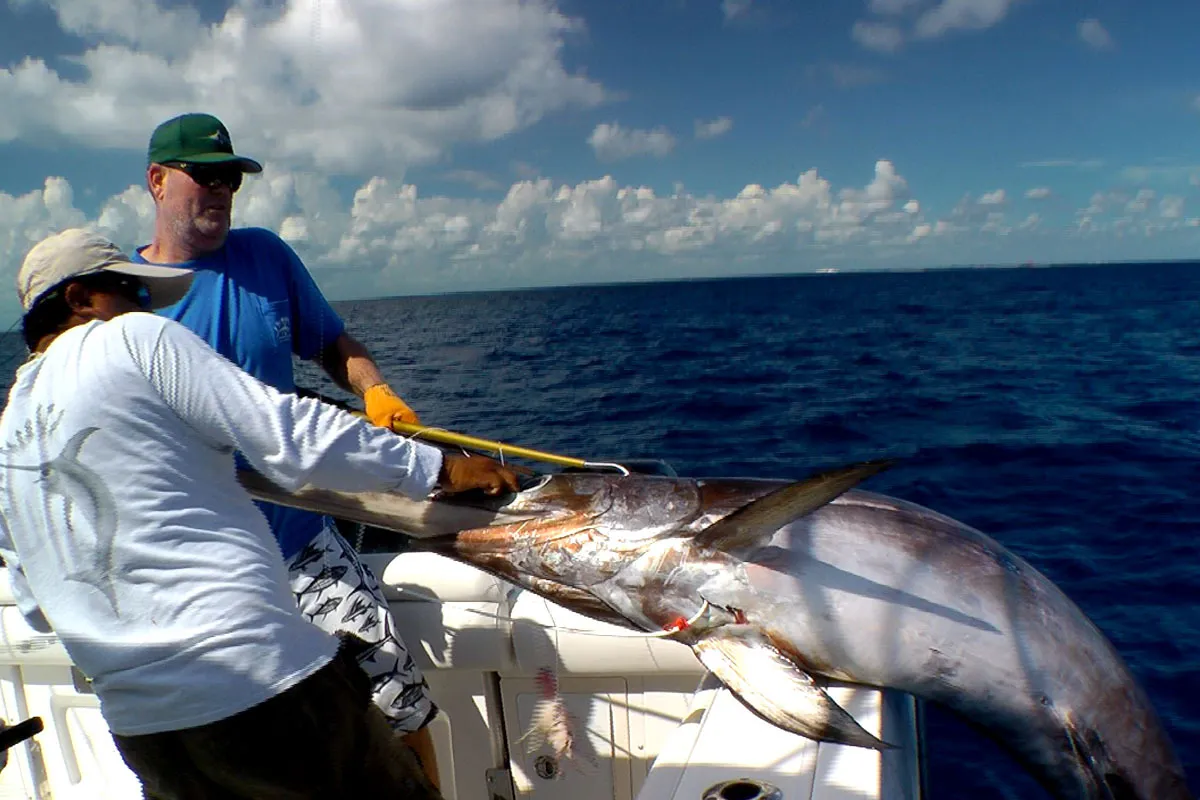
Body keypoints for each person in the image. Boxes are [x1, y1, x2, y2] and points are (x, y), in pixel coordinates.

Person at [0, 228, 520, 798]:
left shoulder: (8, 433)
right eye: (134, 292)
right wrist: (437, 468)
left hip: (148, 738)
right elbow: (288, 433)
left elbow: (35, 605)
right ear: (80, 298)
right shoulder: (130, 340)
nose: (145, 307)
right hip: (261, 691)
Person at [133, 112, 447, 781]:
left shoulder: (267, 257)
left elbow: (333, 343)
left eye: (231, 179)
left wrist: (374, 390)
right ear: (157, 181)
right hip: (210, 577)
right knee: (257, 754)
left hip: (303, 541)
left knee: (399, 704)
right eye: (205, 176)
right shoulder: (127, 304)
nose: (221, 190)